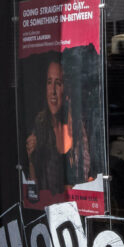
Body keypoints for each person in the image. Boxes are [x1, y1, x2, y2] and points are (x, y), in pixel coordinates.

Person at [26, 57, 93, 197]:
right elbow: (34, 189)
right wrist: (31, 160)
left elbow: (89, 180)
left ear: (67, 89)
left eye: (58, 83)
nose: (53, 92)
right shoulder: (40, 123)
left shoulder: (80, 125)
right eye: (49, 83)